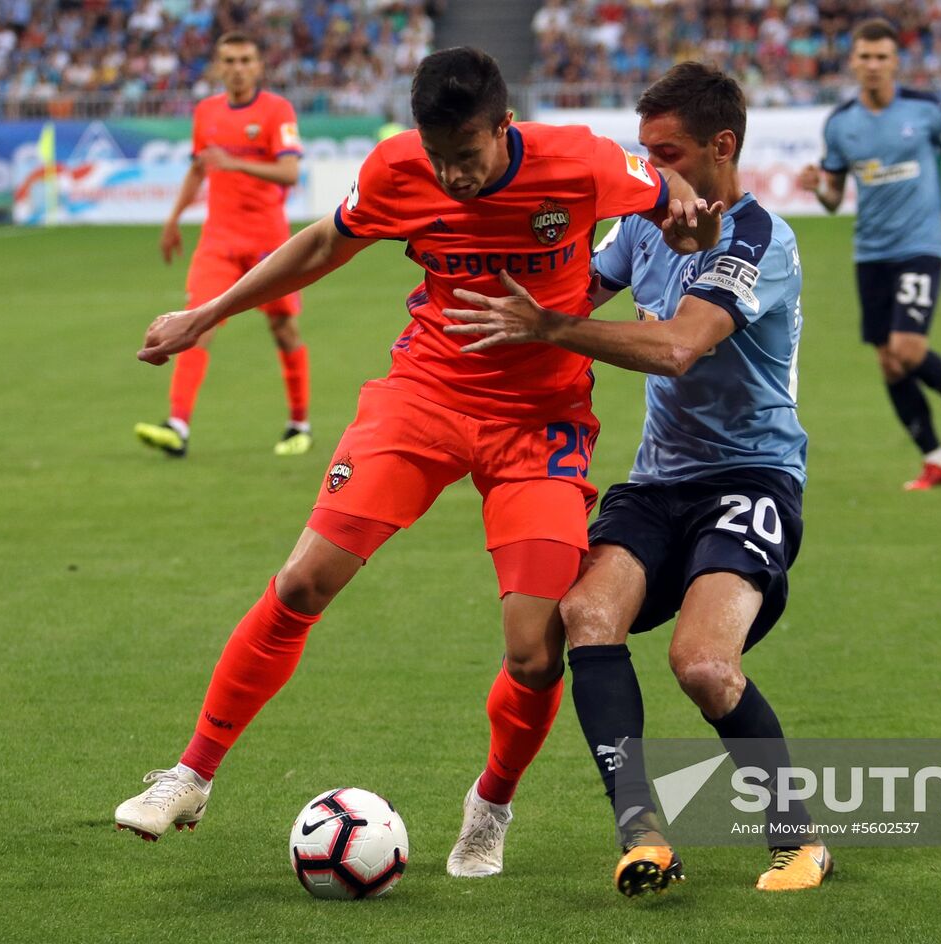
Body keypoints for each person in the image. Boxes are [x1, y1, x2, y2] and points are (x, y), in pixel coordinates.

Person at [113, 47, 720, 881]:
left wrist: (692, 208)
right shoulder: (400, 168)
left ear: (504, 129)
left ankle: (490, 809)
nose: (453, 176)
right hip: (423, 399)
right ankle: (190, 775)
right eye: (439, 158)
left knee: (535, 653)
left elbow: (676, 198)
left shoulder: (577, 162)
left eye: (465, 157)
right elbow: (327, 241)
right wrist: (208, 312)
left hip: (540, 422)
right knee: (300, 583)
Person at [444, 62, 827, 895]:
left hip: (752, 478)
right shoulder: (647, 224)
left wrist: (551, 325)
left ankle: (797, 836)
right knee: (584, 616)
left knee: (702, 665)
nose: (651, 173)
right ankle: (642, 835)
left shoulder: (762, 238)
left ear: (722, 147)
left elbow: (679, 347)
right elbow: (576, 285)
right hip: (659, 481)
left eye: (668, 153)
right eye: (643, 153)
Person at [799, 18, 941, 492]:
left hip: (920, 245)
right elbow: (835, 198)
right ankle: (936, 459)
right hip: (870, 252)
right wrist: (819, 188)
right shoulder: (840, 124)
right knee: (888, 361)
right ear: (853, 62)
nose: (874, 65)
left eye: (882, 57)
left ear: (895, 61)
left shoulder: (924, 110)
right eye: (865, 57)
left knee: (907, 349)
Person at [134, 32, 311, 459]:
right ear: (218, 66)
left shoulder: (276, 111)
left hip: (268, 241)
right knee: (198, 322)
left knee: (283, 328)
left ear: (258, 66)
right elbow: (199, 169)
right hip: (219, 239)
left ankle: (298, 423)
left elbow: (289, 173)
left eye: (245, 59)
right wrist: (174, 218)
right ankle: (177, 425)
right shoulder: (207, 112)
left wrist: (235, 162)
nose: (237, 68)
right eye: (229, 60)